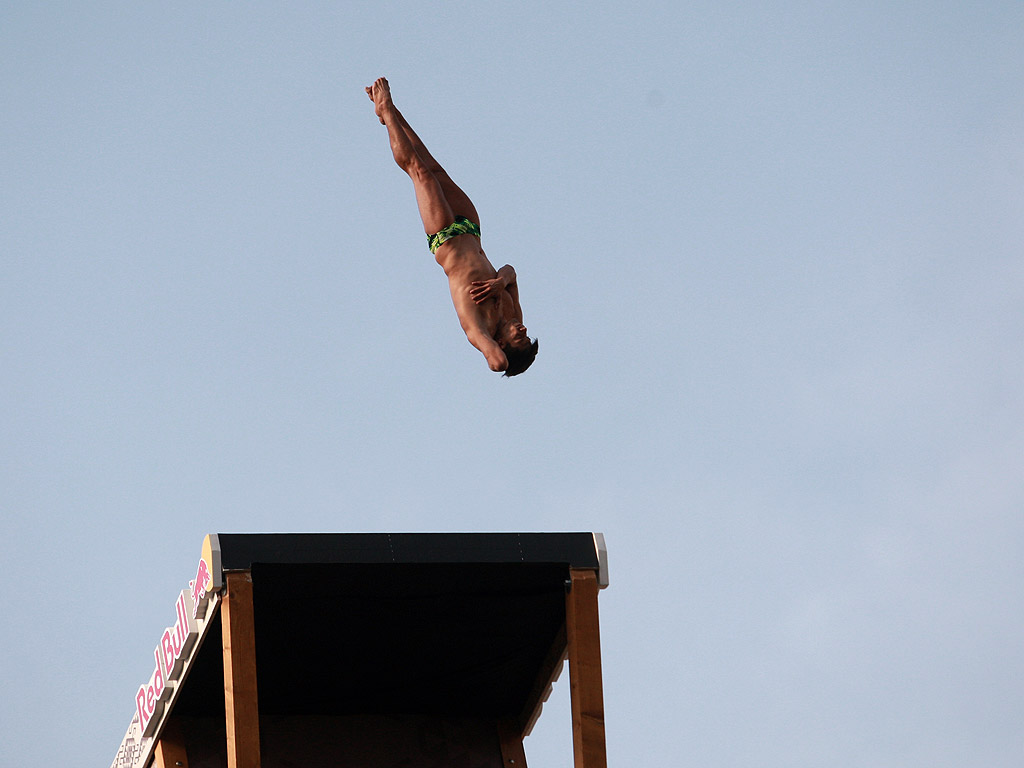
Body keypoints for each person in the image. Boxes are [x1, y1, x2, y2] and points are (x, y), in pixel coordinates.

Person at [366, 77, 538, 376]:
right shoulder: (513, 313)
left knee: (420, 173)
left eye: (518, 338)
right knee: (433, 166)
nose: (522, 329)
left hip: (445, 238)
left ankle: (385, 108)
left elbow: (496, 363)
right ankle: (390, 112)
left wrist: (507, 361)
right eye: (526, 334)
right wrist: (500, 282)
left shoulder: (480, 331)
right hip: (471, 229)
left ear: (501, 344)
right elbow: (512, 272)